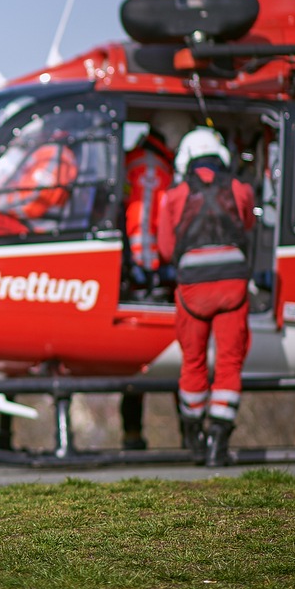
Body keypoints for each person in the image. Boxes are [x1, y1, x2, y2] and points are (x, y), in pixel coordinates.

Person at [157, 126, 256, 466]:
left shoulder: (172, 195)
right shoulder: (240, 188)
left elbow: (167, 249)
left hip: (192, 290)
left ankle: (194, 435)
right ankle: (218, 443)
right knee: (229, 362)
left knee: (194, 362)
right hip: (233, 286)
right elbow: (248, 227)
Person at [118, 110, 191, 450]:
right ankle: (185, 435)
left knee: (137, 364)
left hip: (137, 270)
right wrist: (150, 271)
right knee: (162, 353)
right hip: (148, 275)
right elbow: (142, 218)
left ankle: (133, 434)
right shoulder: (150, 167)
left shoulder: (137, 158)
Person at [0, 120, 79, 237]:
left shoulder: (53, 155)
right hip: (19, 221)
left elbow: (32, 201)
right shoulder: (35, 152)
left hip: (34, 229)